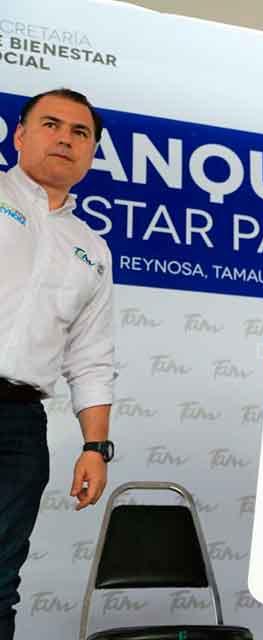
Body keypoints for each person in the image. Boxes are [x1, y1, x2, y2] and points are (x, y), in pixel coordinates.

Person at [0, 89, 115, 640]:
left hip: (19, 427)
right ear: (20, 136)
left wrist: (95, 447)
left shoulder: (92, 248)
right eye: (51, 125)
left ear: (91, 152)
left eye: (80, 132)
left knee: (0, 582)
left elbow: (91, 357)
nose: (66, 138)